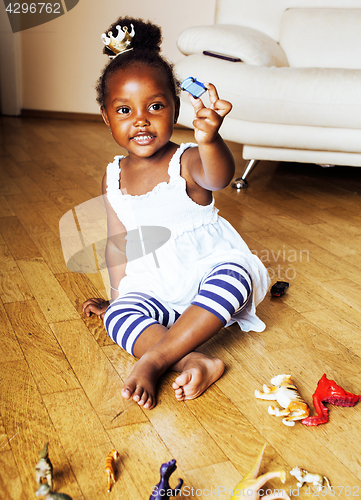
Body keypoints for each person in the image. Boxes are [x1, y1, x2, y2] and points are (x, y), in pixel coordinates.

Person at [82, 17, 270, 410]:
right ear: (105, 116)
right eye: (124, 109)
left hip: (204, 274)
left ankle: (155, 359)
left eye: (154, 106)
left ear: (175, 108)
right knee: (118, 319)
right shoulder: (112, 176)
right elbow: (118, 243)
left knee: (237, 278)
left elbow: (220, 177)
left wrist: (210, 138)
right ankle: (194, 360)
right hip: (153, 285)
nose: (140, 120)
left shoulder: (186, 160)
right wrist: (119, 298)